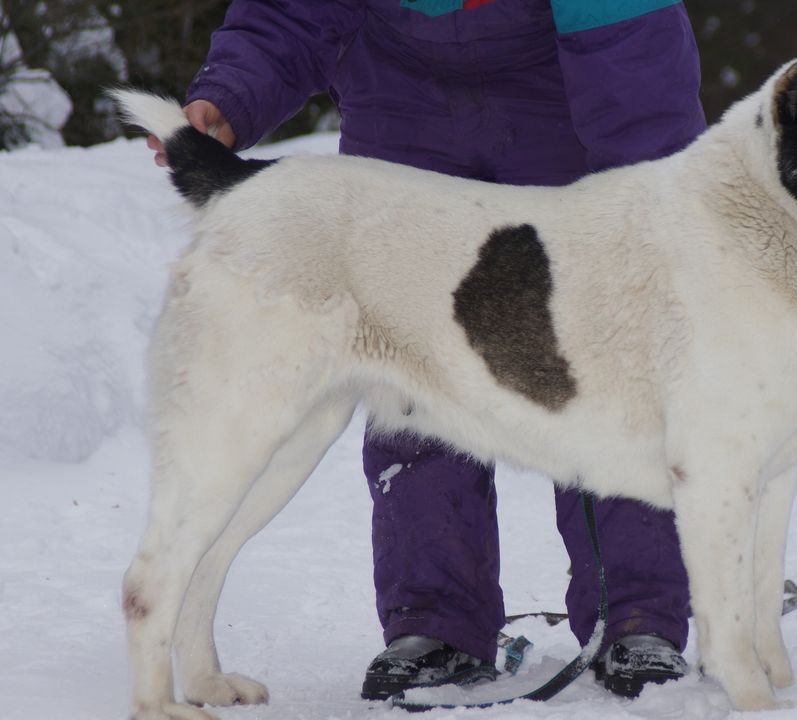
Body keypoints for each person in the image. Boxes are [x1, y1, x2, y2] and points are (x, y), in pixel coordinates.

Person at [148, 0, 707, 701]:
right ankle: (437, 623)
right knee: (403, 368)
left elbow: (629, 43)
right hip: (399, 91)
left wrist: (650, 190)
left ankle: (638, 614)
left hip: (562, 87)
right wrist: (234, 92)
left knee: (608, 352)